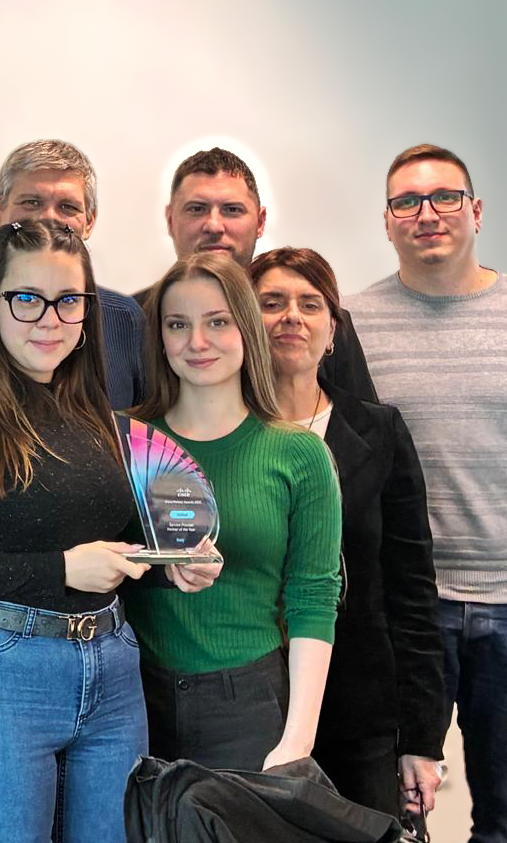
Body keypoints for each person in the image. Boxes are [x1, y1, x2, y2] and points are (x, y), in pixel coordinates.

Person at [0, 220, 219, 841]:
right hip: (4, 676)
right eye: (27, 299)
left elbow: (113, 553)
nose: (49, 319)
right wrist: (59, 569)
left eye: (68, 301)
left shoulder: (100, 418)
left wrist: (173, 567)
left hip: (114, 672)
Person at [347, 144, 507, 842]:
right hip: (404, 611)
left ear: (475, 210)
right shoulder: (350, 327)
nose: (426, 213)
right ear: (386, 220)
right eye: (406, 201)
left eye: (443, 197)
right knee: (391, 816)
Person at [250, 247, 449, 818]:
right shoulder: (219, 432)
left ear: (333, 329)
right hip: (246, 704)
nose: (292, 316)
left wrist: (420, 738)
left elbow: (412, 591)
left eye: (310, 304)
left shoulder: (379, 432)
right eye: (271, 302)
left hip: (359, 711)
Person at [125, 253, 343, 772]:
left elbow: (313, 597)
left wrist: (297, 742)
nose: (197, 342)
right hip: (131, 700)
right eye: (178, 324)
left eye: (218, 322)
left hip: (247, 705)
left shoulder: (300, 454)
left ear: (247, 328)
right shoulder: (125, 443)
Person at [138, 147, 376, 401]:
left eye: (232, 210)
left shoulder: (315, 321)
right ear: (171, 220)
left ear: (260, 222)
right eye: (197, 209)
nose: (214, 226)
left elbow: (363, 429)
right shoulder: (131, 319)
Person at [0, 140, 147, 408]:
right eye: (31, 202)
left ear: (89, 221)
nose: (48, 218)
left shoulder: (125, 319)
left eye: (68, 207)